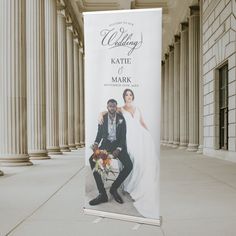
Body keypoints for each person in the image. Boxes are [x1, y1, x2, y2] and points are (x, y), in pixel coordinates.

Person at [99, 89, 159, 219]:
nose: (129, 96)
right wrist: (100, 114)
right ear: (124, 97)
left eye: (130, 94)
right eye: (127, 95)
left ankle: (140, 181)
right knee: (132, 158)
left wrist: (149, 133)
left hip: (140, 135)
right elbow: (107, 110)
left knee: (145, 156)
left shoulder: (137, 108)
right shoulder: (120, 108)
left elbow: (142, 122)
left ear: (133, 97)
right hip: (128, 137)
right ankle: (128, 184)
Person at [89, 99, 133, 206]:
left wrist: (118, 149)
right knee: (92, 160)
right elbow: (99, 135)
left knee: (129, 165)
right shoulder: (102, 118)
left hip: (118, 145)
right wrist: (95, 144)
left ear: (116, 107)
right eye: (110, 106)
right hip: (106, 146)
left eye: (114, 106)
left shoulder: (121, 119)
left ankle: (114, 188)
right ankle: (102, 194)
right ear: (107, 107)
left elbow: (123, 137)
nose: (112, 108)